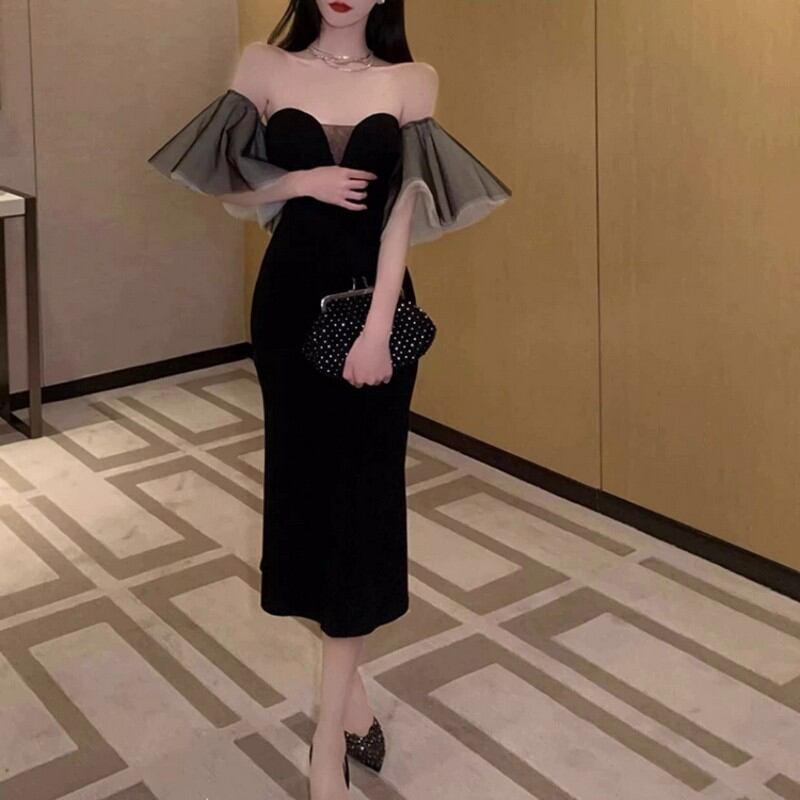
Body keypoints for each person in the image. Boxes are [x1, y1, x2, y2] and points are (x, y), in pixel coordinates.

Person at [147, 1, 511, 796]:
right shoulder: (263, 64)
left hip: (375, 309)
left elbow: (402, 211)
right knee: (309, 501)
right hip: (288, 307)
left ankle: (325, 741)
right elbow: (226, 185)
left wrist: (378, 327)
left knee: (363, 506)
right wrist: (301, 181)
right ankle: (353, 698)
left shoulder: (413, 80)